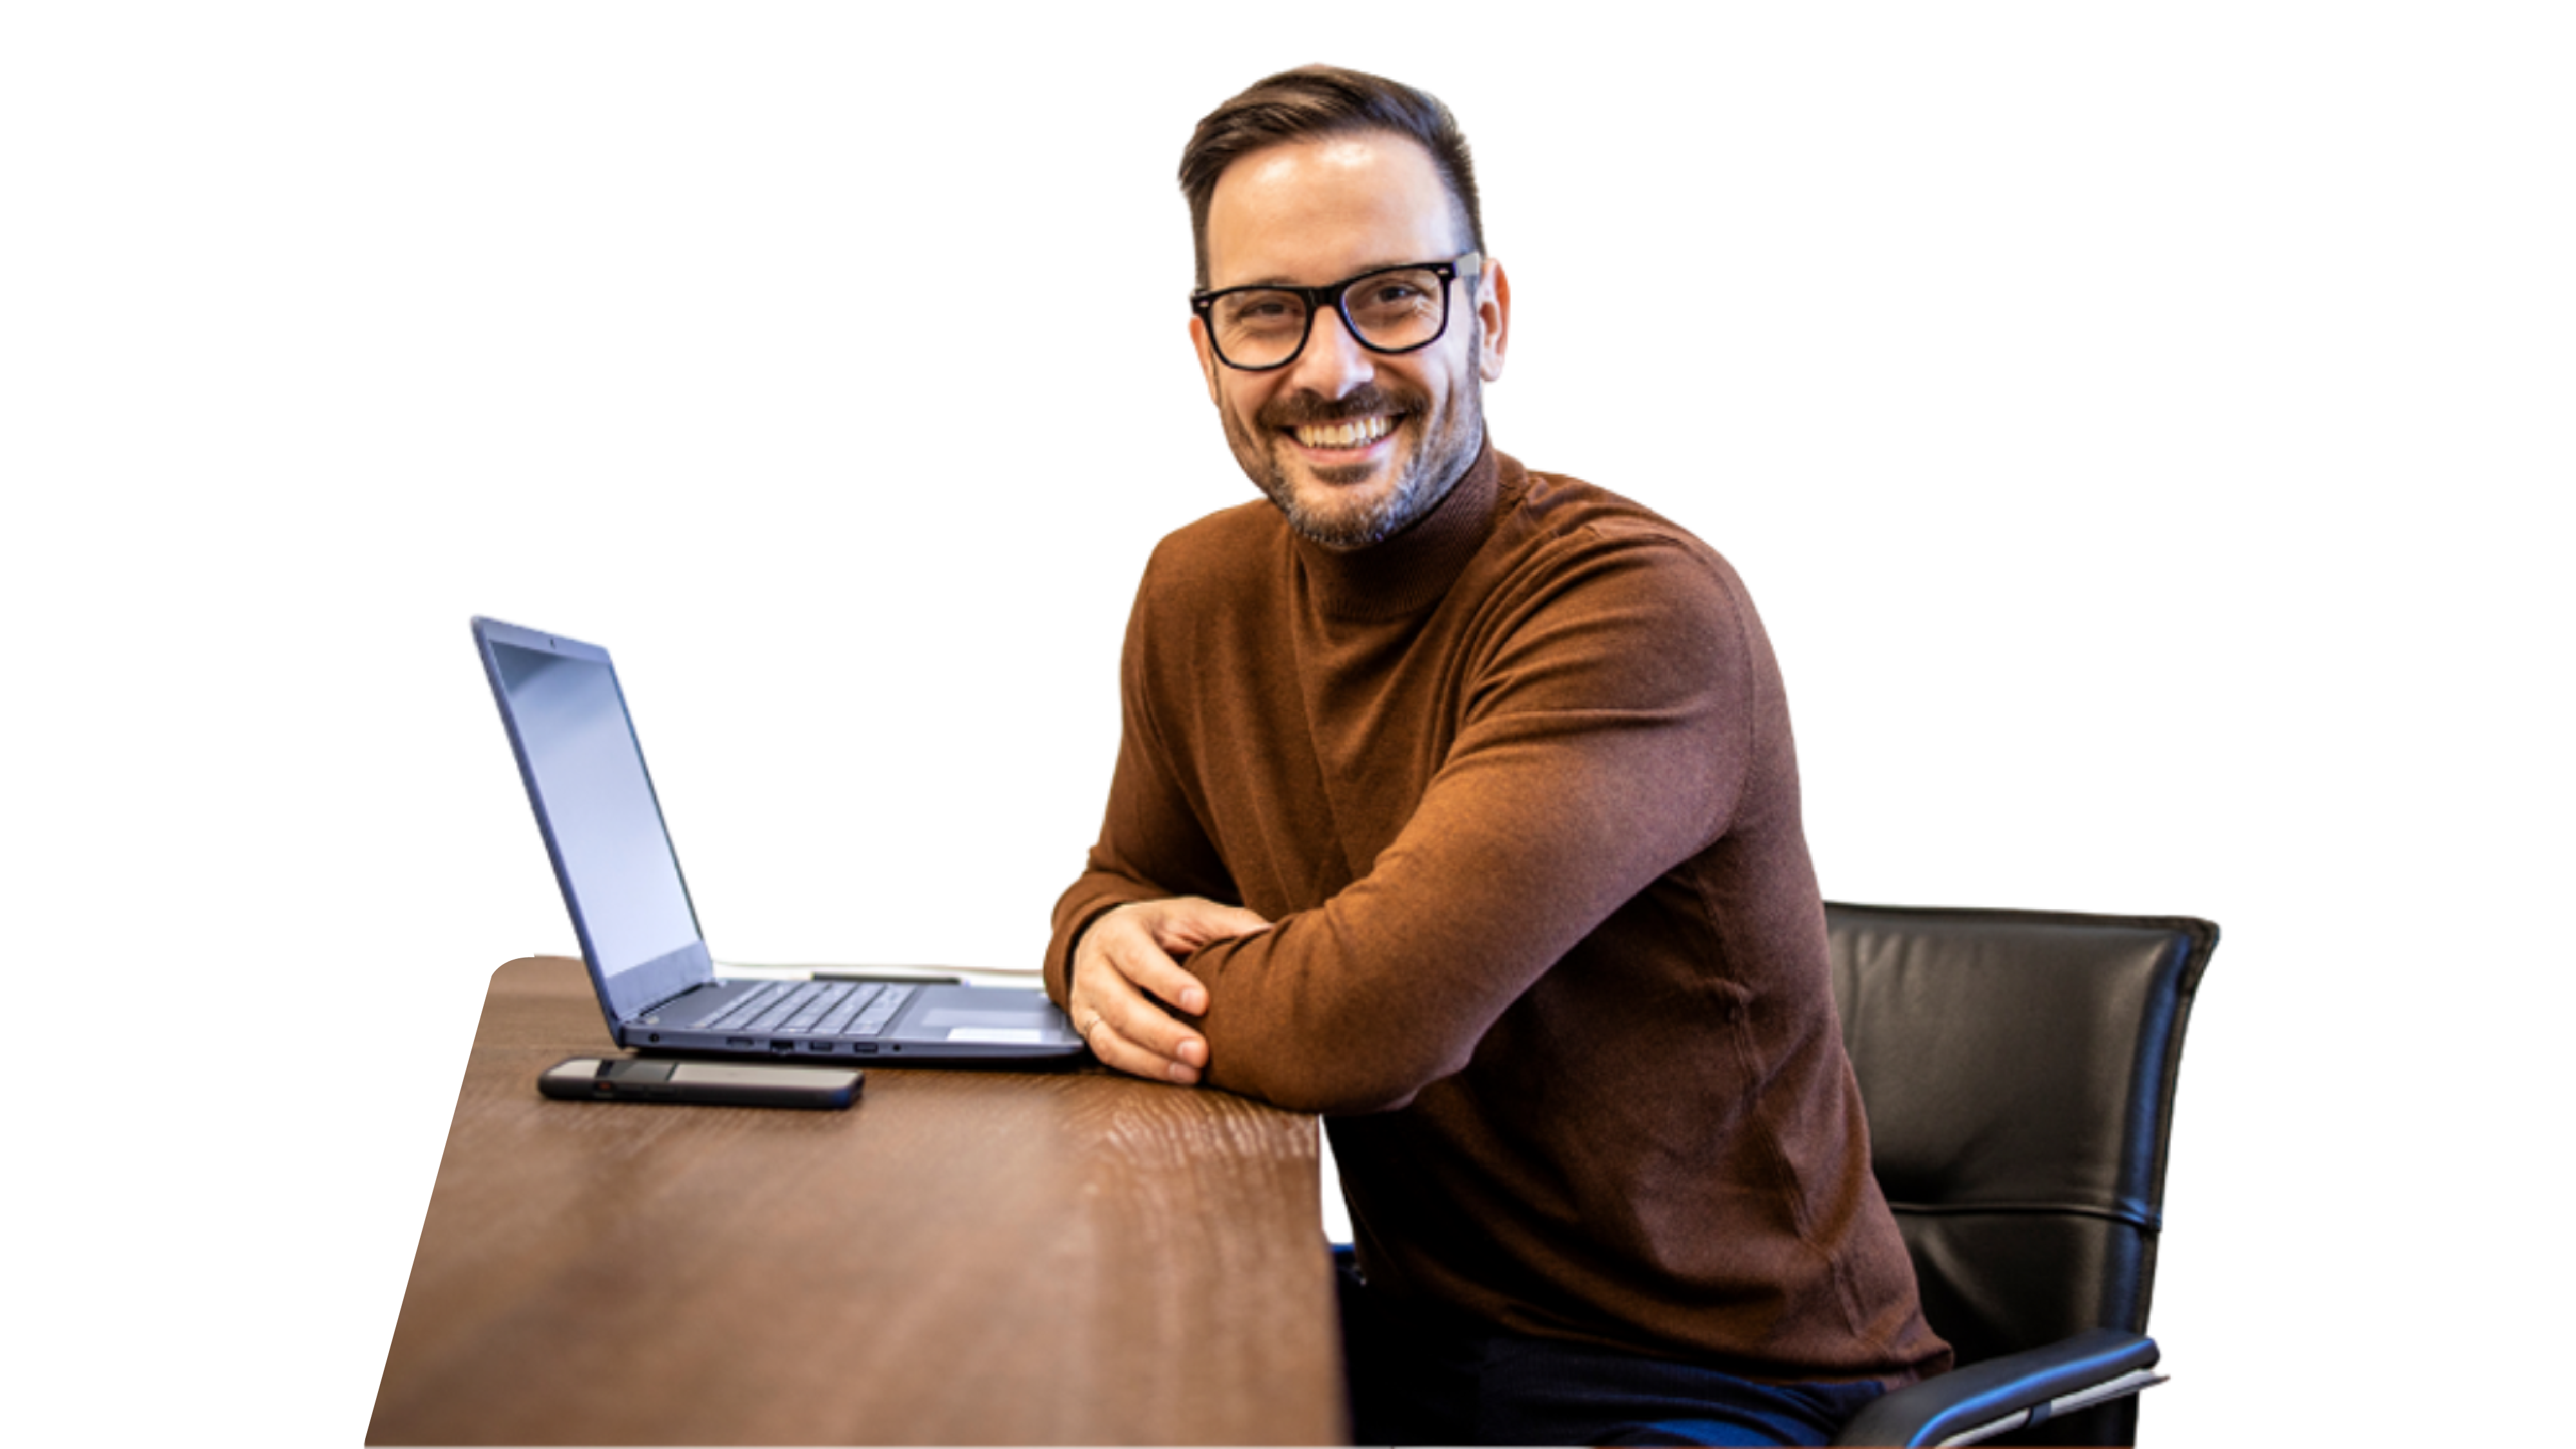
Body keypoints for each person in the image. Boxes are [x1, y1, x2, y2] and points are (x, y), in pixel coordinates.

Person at [1041, 62, 1951, 1447]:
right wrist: (1091, 939)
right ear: (1204, 350)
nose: (1331, 369)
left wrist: (1207, 975)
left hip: (1725, 1384)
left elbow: (1367, 1025)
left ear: (1490, 316)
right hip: (1422, 1330)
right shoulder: (1194, 589)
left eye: (1391, 295)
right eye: (1268, 313)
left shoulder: (1634, 608)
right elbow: (1122, 885)